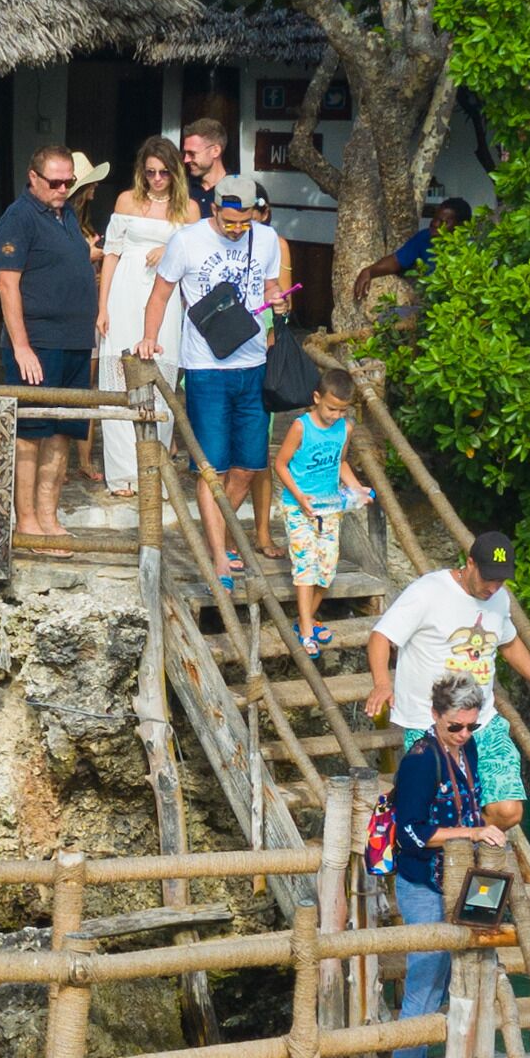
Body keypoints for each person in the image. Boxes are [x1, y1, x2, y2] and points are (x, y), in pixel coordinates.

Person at [364, 532, 530, 822]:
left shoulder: (499, 599)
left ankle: (464, 848)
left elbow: (508, 643)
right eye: (487, 578)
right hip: (430, 723)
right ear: (469, 564)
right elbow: (381, 636)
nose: (492, 587)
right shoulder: (428, 592)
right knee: (438, 812)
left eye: (500, 580)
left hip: (483, 721)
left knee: (508, 812)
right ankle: (453, 852)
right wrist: (382, 682)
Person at [139, 178, 287, 584]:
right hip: (206, 367)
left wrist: (279, 299)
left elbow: (270, 286)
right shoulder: (187, 241)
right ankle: (219, 556)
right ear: (215, 209)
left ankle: (214, 539)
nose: (238, 230)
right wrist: (149, 337)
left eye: (245, 222)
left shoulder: (268, 239)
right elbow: (161, 294)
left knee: (250, 464)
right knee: (212, 466)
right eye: (231, 221)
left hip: (254, 361)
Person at [382, 677, 505, 1058]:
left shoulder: (464, 751)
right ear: (435, 717)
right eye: (456, 727)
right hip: (422, 884)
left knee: (442, 981)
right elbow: (410, 834)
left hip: (455, 882)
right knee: (423, 983)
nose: (465, 735)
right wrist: (470, 834)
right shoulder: (419, 762)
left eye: (472, 727)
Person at [0, 147, 101, 540]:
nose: (62, 188)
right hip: (38, 342)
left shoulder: (66, 213)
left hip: (74, 342)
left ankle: (49, 517)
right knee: (30, 431)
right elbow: (7, 284)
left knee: (62, 432)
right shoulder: (18, 218)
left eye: (69, 182)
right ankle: (27, 522)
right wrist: (22, 347)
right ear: (33, 177)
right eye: (54, 182)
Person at [92, 134, 193, 497]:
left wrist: (168, 248)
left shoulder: (189, 210)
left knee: (159, 381)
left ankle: (153, 468)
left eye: (164, 172)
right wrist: (102, 307)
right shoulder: (127, 201)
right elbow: (112, 254)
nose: (156, 179)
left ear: (175, 172)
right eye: (150, 172)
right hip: (125, 289)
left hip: (163, 299)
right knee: (118, 379)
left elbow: (195, 250)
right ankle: (121, 473)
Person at [266, 367, 371, 662]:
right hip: (297, 505)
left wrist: (357, 489)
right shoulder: (301, 426)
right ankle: (307, 632)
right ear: (316, 398)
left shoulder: (344, 428)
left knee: (327, 568)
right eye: (330, 408)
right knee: (306, 565)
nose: (335, 415)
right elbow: (281, 464)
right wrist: (299, 497)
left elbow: (341, 463)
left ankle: (304, 621)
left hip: (329, 506)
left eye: (342, 410)